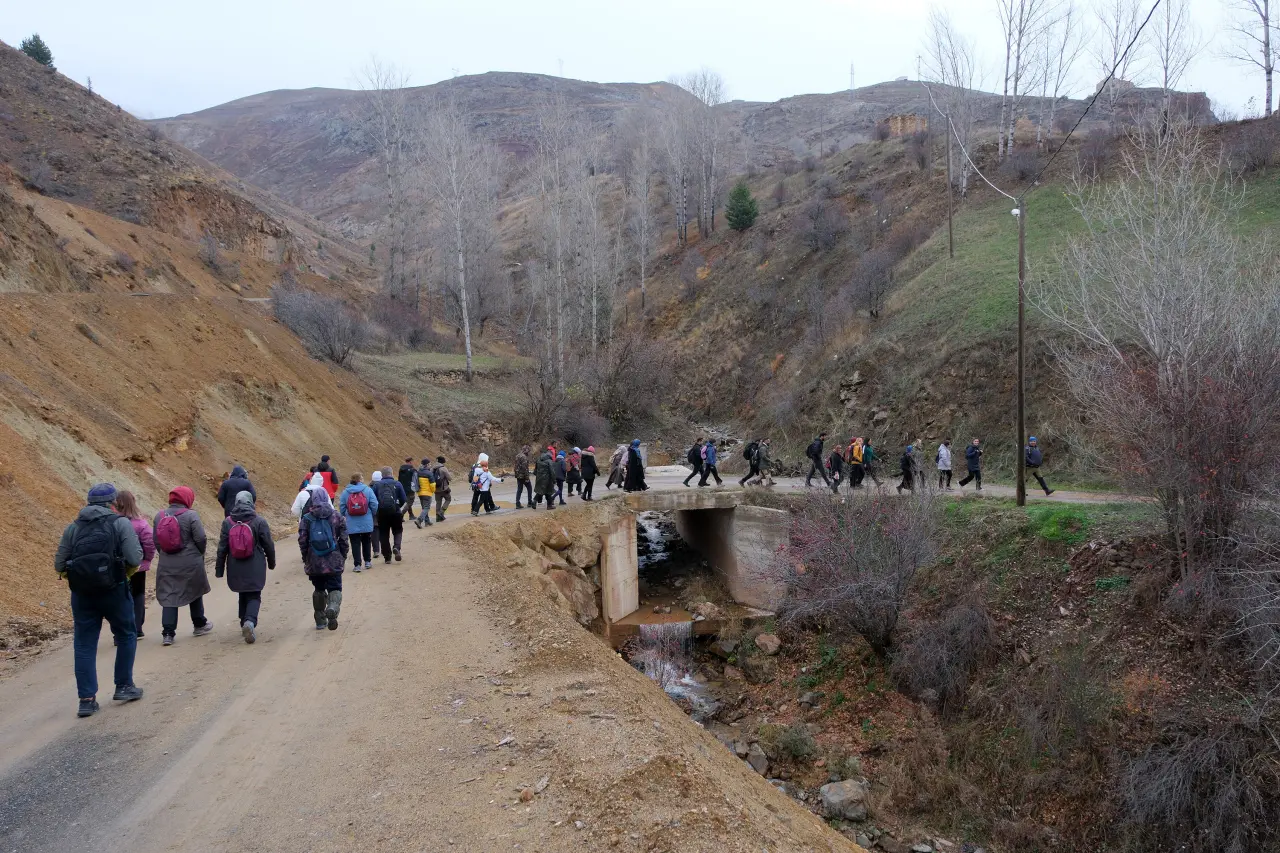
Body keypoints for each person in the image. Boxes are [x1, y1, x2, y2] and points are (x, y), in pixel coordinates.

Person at [55, 483, 145, 718]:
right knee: (126, 634)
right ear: (113, 503)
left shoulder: (73, 528)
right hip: (115, 590)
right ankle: (124, 686)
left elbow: (59, 565)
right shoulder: (120, 523)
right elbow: (135, 557)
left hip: (82, 596)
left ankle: (86, 700)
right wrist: (123, 575)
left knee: (84, 644)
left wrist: (80, 579)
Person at [214, 491, 276, 644]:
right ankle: (249, 621)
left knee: (242, 593)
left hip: (235, 565)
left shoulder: (227, 522)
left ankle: (243, 623)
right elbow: (268, 544)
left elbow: (222, 547)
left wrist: (219, 569)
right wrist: (272, 562)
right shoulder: (259, 521)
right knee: (254, 595)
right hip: (254, 564)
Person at [153, 486, 210, 646]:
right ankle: (199, 624)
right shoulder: (191, 515)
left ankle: (168, 633)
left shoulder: (159, 516)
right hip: (190, 561)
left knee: (170, 596)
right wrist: (199, 553)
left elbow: (157, 541)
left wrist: (165, 554)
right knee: (195, 590)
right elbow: (200, 538)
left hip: (167, 563)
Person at [299, 488, 349, 630]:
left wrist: (305, 557)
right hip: (333, 560)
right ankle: (332, 607)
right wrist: (343, 555)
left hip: (315, 562)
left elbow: (302, 541)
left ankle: (320, 620)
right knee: (335, 587)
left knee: (319, 589)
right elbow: (344, 539)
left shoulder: (306, 519)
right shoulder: (337, 516)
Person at [114, 490, 154, 640]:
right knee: (138, 595)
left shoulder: (112, 523)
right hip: (137, 566)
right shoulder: (141, 523)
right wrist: (146, 560)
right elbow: (150, 543)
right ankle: (137, 628)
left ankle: (120, 631)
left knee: (120, 597)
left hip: (117, 566)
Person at [340, 473, 378, 572]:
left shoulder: (345, 492)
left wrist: (346, 514)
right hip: (366, 520)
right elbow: (374, 504)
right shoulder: (368, 490)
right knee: (366, 540)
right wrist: (371, 514)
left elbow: (342, 507)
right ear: (360, 480)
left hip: (352, 522)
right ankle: (367, 562)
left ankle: (357, 565)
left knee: (355, 543)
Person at [374, 466, 406, 562]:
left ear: (382, 475)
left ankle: (387, 556)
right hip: (395, 512)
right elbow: (404, 498)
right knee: (397, 531)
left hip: (382, 513)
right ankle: (396, 547)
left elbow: (373, 500)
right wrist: (397, 506)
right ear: (391, 473)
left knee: (383, 533)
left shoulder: (377, 485)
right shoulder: (397, 483)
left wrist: (378, 509)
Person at [413, 458, 436, 528]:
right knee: (427, 508)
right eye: (430, 464)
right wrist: (433, 491)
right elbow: (432, 484)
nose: (430, 465)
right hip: (427, 493)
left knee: (424, 508)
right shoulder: (429, 473)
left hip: (420, 493)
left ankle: (427, 521)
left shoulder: (418, 472)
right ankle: (419, 520)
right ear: (427, 464)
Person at [432, 457, 452, 522]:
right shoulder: (443, 468)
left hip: (435, 488)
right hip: (444, 488)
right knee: (448, 499)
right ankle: (441, 512)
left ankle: (438, 518)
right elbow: (449, 478)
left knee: (438, 502)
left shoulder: (432, 468)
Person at [513, 445, 533, 509]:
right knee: (529, 488)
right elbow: (525, 468)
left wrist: (516, 474)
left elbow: (515, 466)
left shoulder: (517, 456)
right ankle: (530, 502)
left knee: (519, 489)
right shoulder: (524, 457)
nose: (529, 452)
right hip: (523, 476)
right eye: (528, 451)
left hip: (518, 475)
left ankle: (517, 503)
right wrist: (527, 477)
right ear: (526, 450)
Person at [370, 470, 384, 557]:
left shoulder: (369, 487)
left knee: (374, 529)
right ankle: (384, 548)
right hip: (383, 510)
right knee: (383, 529)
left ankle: (376, 550)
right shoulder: (384, 485)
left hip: (373, 511)